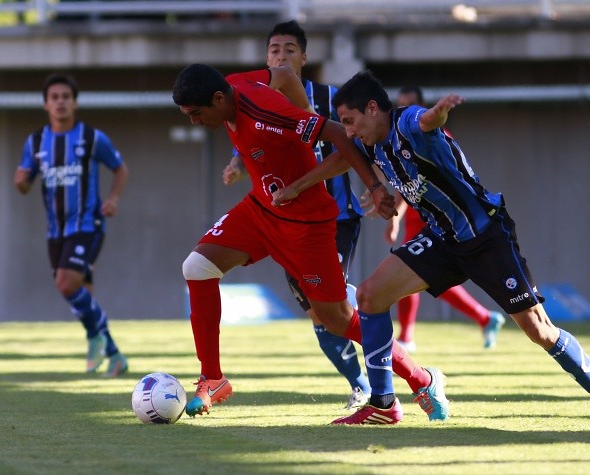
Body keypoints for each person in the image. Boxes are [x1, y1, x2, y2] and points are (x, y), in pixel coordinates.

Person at [273, 70, 590, 425]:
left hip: (485, 236)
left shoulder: (406, 122)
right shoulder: (369, 143)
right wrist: (299, 187)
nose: (347, 132)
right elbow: (342, 159)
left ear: (373, 109)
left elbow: (426, 121)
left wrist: (440, 110)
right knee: (369, 297)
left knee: (538, 331)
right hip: (441, 239)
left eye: (350, 121)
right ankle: (382, 403)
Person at [173, 63, 449, 422]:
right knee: (197, 266)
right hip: (262, 207)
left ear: (218, 98)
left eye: (197, 113)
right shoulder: (236, 83)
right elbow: (285, 73)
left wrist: (375, 187)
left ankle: (422, 379)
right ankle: (212, 378)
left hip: (306, 223)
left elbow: (337, 133)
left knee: (335, 319)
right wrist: (304, 107)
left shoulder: (267, 114)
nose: (194, 122)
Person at [221, 20, 370, 410]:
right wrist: (237, 163)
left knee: (331, 307)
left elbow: (358, 142)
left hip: (334, 215)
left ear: (304, 57)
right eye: (274, 50)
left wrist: (379, 185)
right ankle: (360, 383)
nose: (281, 56)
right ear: (265, 57)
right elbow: (253, 138)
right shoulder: (253, 98)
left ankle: (386, 373)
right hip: (284, 218)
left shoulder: (332, 97)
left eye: (289, 49)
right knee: (318, 315)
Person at [361, 85, 506, 352]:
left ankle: (410, 335)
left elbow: (424, 178)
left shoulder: (427, 132)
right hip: (422, 214)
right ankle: (480, 318)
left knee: (420, 272)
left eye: (409, 105)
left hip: (444, 218)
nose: (402, 110)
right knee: (420, 273)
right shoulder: (389, 139)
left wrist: (396, 216)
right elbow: (404, 179)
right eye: (399, 104)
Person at [14, 73, 129, 378]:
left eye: (66, 96)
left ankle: (100, 343)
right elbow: (24, 182)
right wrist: (21, 182)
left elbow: (120, 168)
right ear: (45, 104)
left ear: (75, 102)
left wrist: (113, 198)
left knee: (66, 283)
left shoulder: (91, 138)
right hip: (56, 231)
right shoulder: (35, 142)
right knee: (79, 293)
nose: (61, 102)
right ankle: (112, 353)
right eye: (55, 97)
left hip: (88, 224)